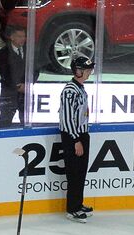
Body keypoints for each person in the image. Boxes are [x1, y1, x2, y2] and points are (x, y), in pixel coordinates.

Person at [58, 55, 93, 221]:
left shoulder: (80, 88)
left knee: (81, 172)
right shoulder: (70, 91)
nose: (89, 72)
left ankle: (78, 203)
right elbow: (67, 118)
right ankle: (72, 209)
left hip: (82, 135)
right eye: (86, 69)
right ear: (78, 71)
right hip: (73, 136)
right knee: (74, 173)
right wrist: (76, 140)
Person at [0, 25, 29, 125]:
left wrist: (26, 84)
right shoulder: (3, 53)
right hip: (9, 93)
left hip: (25, 92)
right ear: (12, 37)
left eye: (23, 36)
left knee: (26, 121)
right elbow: (4, 73)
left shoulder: (30, 51)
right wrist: (17, 86)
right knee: (5, 121)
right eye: (19, 36)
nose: (22, 39)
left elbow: (35, 69)